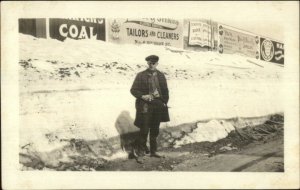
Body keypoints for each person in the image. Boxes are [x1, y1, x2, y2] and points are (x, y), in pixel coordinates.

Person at [130, 55, 170, 164]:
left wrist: (163, 102)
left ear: (157, 64)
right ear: (147, 64)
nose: (151, 65)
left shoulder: (161, 76)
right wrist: (143, 96)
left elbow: (166, 91)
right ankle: (141, 153)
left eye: (154, 63)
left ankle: (153, 151)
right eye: (150, 63)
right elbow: (133, 90)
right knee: (144, 130)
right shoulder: (141, 75)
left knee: (155, 130)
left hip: (157, 106)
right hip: (145, 106)